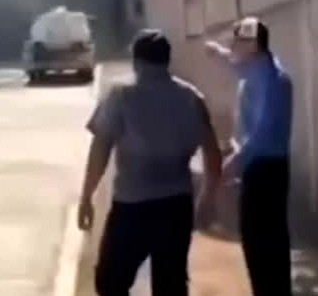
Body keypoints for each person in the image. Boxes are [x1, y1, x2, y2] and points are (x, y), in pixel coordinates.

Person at [78, 29, 222, 296]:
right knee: (171, 284)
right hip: (177, 206)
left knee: (110, 282)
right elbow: (213, 155)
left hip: (132, 207)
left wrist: (87, 196)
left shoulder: (120, 96)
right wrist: (207, 200)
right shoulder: (191, 97)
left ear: (136, 61)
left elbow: (100, 150)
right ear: (167, 60)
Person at [205, 17, 293, 296]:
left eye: (238, 41)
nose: (233, 46)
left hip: (267, 170)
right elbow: (235, 65)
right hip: (257, 167)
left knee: (266, 244)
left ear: (253, 45)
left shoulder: (273, 81)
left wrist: (234, 162)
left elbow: (262, 133)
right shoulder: (256, 69)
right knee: (256, 240)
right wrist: (218, 53)